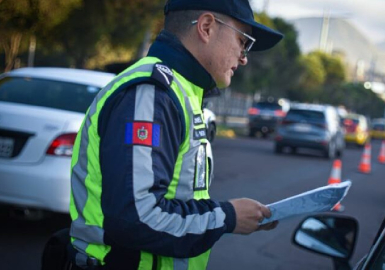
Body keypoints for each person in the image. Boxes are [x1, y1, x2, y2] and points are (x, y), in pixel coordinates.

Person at [68, 0, 284, 269]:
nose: (244, 57)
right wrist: (228, 217)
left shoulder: (180, 92)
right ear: (206, 27)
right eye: (243, 41)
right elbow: (135, 217)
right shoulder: (152, 94)